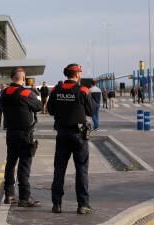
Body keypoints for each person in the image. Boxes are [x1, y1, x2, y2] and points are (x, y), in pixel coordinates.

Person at [47, 64, 95, 214]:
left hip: (62, 134)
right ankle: (82, 205)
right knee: (81, 169)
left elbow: (50, 110)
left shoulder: (56, 89)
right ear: (77, 74)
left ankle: (56, 204)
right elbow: (91, 110)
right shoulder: (82, 90)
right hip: (79, 135)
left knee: (59, 170)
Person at [0, 67, 42, 207]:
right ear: (23, 79)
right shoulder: (25, 92)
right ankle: (24, 197)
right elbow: (38, 106)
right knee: (24, 165)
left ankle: (9, 195)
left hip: (10, 133)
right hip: (25, 134)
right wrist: (34, 92)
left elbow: (1, 105)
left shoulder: (4, 92)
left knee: (10, 164)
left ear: (12, 78)